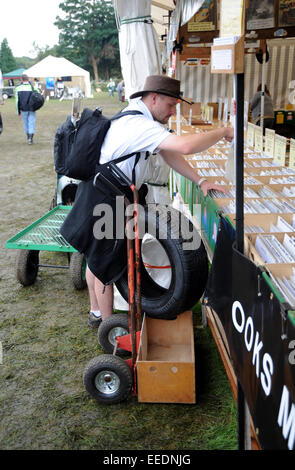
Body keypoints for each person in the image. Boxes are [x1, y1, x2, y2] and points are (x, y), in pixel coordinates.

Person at [60, 75, 234, 327]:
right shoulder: (141, 125)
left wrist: (200, 181)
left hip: (102, 190)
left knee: (95, 255)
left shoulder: (137, 118)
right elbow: (184, 146)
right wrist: (224, 131)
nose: (173, 112)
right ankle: (110, 328)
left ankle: (97, 313)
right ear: (154, 98)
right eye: (171, 105)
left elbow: (169, 154)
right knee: (105, 264)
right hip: (108, 195)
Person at [15, 74, 40, 144]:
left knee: (25, 123)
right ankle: (31, 139)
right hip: (32, 108)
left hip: (23, 108)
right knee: (31, 122)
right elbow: (38, 94)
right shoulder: (32, 87)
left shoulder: (18, 88)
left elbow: (17, 101)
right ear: (28, 79)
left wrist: (18, 111)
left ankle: (28, 137)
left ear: (21, 79)